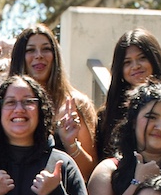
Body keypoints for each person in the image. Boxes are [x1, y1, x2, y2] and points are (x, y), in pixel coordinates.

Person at [92, 29, 161, 162]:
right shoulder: (107, 115)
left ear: (154, 60)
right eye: (127, 62)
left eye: (142, 58)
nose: (135, 66)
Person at [6, 25, 97, 178]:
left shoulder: (76, 104)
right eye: (30, 50)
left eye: (46, 49)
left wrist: (71, 144)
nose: (39, 55)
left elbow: (89, 173)